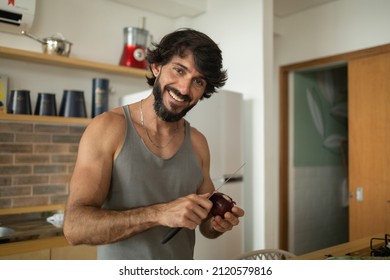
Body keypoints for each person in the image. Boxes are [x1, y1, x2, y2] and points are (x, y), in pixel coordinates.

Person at [63, 28, 245, 260]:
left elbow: (205, 225)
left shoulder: (198, 142)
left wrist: (217, 225)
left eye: (197, 81)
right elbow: (75, 228)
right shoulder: (108, 128)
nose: (184, 89)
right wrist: (160, 214)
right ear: (157, 66)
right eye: (179, 70)